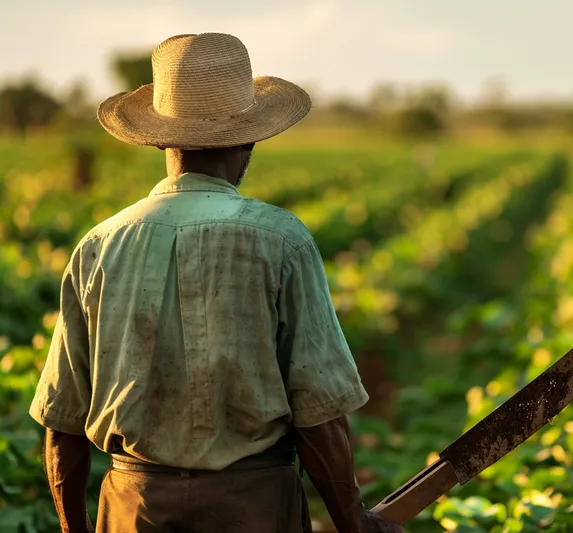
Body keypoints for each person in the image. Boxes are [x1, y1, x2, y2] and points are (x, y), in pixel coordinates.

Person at [29, 32, 404, 533]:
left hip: (135, 506)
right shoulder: (282, 240)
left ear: (160, 138)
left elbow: (62, 422)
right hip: (254, 507)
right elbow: (319, 412)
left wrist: (74, 527)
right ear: (250, 138)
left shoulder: (100, 245)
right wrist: (355, 523)